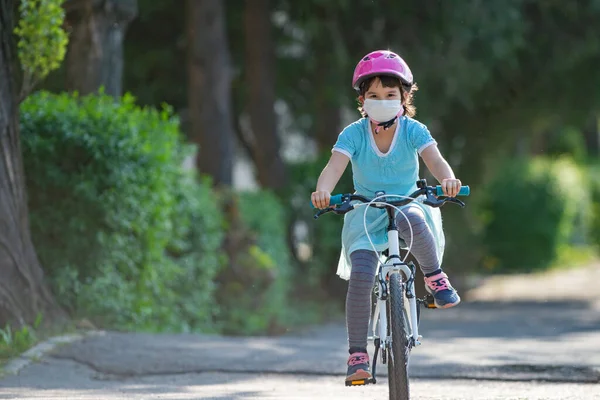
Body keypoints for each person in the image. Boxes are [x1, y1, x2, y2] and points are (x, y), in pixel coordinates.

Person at [310, 50, 463, 383]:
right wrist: (323, 190)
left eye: (390, 94)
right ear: (362, 99)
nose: (382, 100)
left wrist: (447, 180)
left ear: (404, 97)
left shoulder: (413, 130)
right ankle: (357, 355)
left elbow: (435, 161)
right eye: (374, 95)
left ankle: (434, 277)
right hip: (364, 212)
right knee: (362, 274)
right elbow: (334, 166)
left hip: (407, 202)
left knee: (415, 219)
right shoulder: (353, 133)